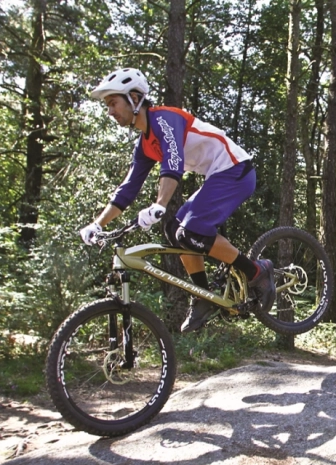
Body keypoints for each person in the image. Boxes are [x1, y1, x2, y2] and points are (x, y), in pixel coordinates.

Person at [79, 67, 274, 333]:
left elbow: (173, 162)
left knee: (191, 232)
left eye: (113, 103)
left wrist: (159, 204)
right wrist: (97, 224)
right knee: (175, 231)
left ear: (135, 98)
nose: (110, 111)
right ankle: (202, 295)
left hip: (236, 169)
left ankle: (256, 271)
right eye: (107, 106)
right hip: (217, 175)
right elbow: (128, 189)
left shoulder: (164, 119)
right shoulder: (145, 144)